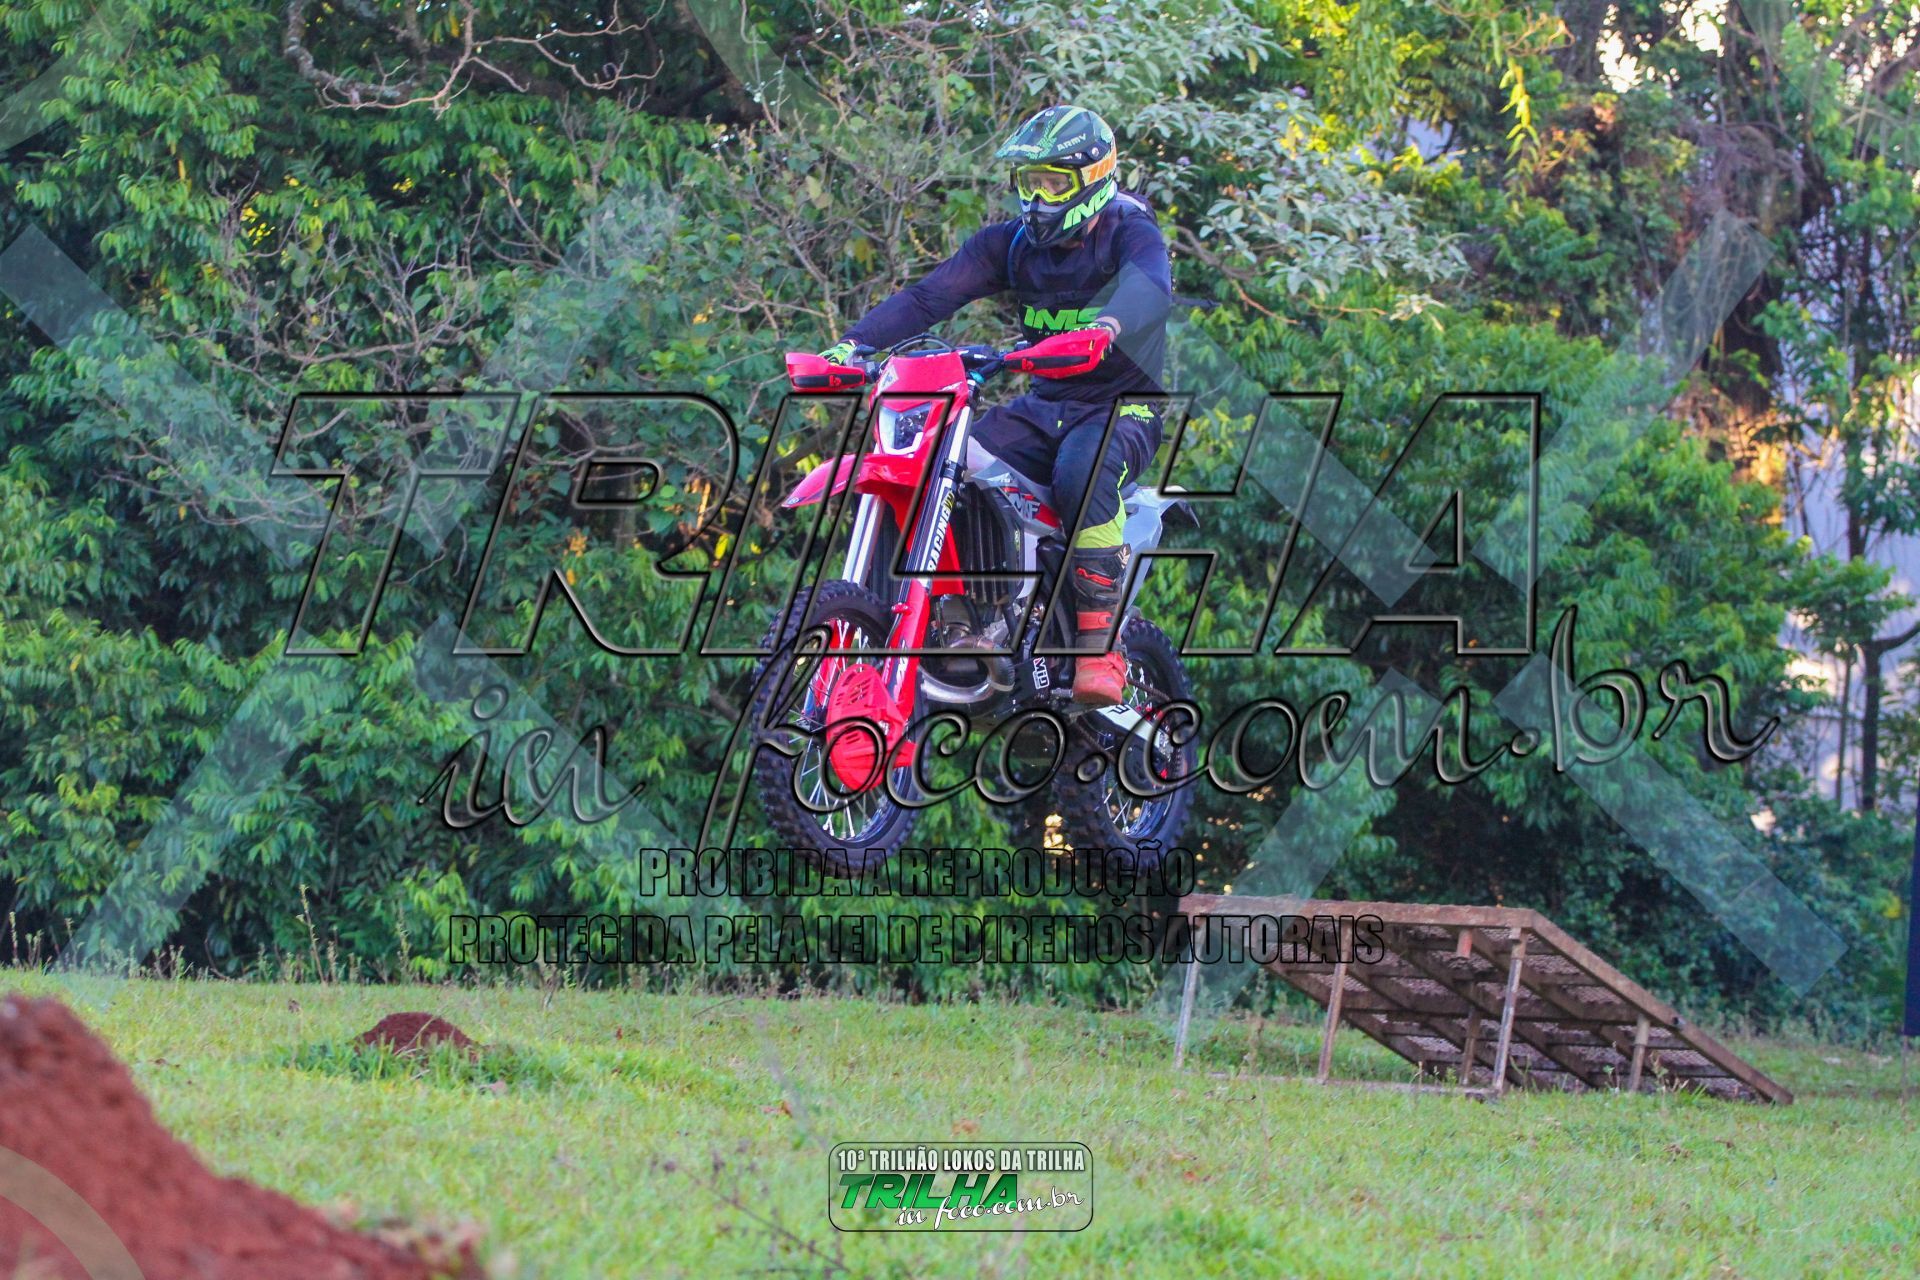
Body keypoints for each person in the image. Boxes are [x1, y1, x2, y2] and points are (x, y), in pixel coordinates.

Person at [817, 104, 1173, 706]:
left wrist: (1107, 326)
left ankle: (1096, 646)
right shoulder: (1010, 245)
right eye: (1029, 183)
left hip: (1122, 407)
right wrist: (850, 348)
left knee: (1081, 472)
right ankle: (963, 619)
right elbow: (929, 297)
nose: (1037, 198)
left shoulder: (1128, 229)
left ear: (1093, 178)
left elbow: (1152, 286)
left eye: (1053, 183)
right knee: (948, 467)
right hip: (1045, 403)